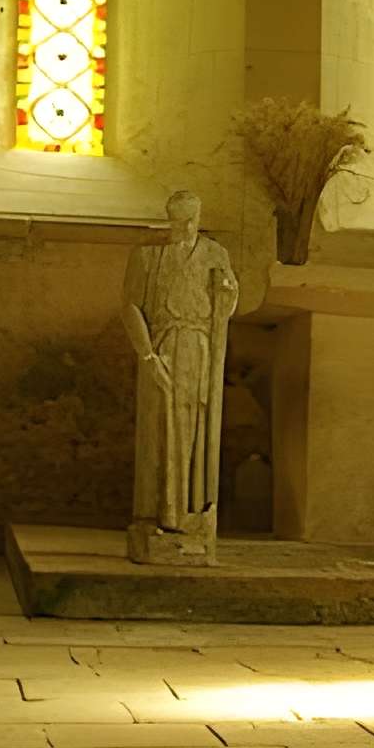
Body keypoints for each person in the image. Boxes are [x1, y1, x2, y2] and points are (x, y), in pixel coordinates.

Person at [123, 189, 238, 563]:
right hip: (164, 346)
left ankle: (192, 515)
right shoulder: (149, 257)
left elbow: (227, 299)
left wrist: (227, 293)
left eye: (192, 219)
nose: (186, 227)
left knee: (196, 428)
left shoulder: (214, 255)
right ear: (170, 218)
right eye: (180, 219)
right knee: (162, 430)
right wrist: (148, 354)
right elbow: (131, 307)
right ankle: (160, 514)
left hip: (200, 349)